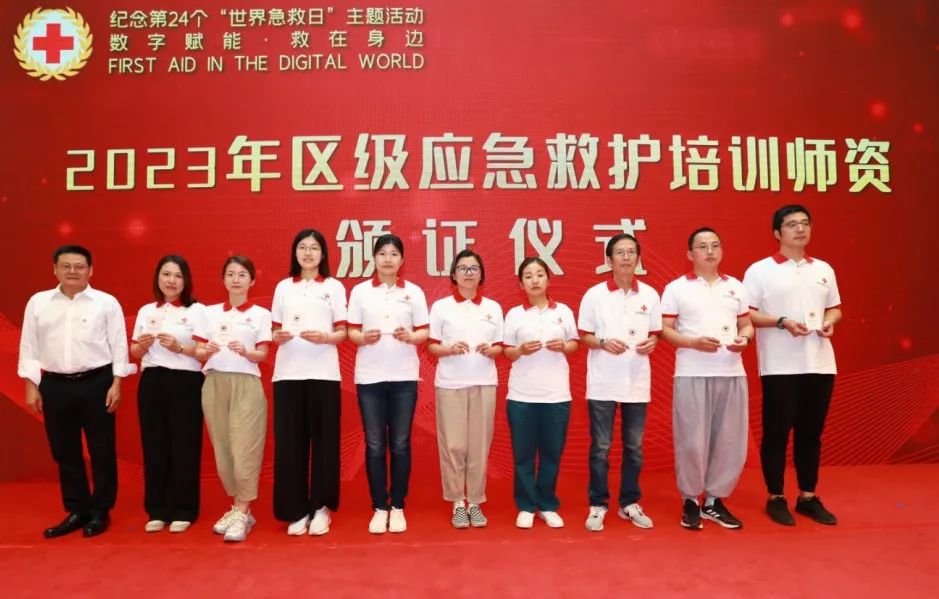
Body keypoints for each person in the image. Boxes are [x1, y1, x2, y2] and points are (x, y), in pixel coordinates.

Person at [18, 245, 128, 538]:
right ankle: (77, 509)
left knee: (102, 449)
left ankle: (101, 510)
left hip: (97, 382)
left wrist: (117, 382)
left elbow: (119, 345)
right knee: (64, 450)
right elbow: (28, 346)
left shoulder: (106, 303)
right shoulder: (39, 302)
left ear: (90, 270)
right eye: (66, 266)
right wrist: (31, 385)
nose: (72, 272)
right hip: (54, 384)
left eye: (79, 266)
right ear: (55, 269)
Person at [744, 204, 842, 526]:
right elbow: (747, 314)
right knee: (777, 433)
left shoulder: (823, 269)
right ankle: (776, 496)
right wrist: (781, 321)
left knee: (811, 434)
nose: (800, 229)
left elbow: (835, 308)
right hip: (780, 366)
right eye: (791, 224)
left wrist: (829, 322)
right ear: (777, 232)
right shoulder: (760, 270)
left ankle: (808, 497)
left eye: (805, 223)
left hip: (820, 362)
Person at [660, 228, 754, 530]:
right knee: (692, 440)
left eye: (715, 245)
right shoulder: (676, 288)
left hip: (731, 371)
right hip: (692, 372)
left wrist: (744, 339)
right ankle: (690, 499)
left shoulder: (736, 287)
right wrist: (692, 342)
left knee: (729, 440)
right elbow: (665, 330)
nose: (710, 251)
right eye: (702, 246)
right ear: (690, 254)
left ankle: (713, 501)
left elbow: (746, 324)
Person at [578, 233, 661, 532]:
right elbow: (584, 335)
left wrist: (652, 342)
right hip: (602, 382)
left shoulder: (650, 295)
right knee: (601, 448)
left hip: (636, 382)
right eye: (620, 252)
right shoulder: (594, 295)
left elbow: (655, 333)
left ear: (638, 258)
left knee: (634, 447)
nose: (626, 258)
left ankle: (629, 503)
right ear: (608, 259)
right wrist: (603, 342)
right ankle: (598, 504)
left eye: (631, 252)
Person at [346, 234, 429, 534]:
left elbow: (424, 332)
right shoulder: (360, 292)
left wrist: (411, 336)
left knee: (401, 444)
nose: (388, 259)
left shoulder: (414, 292)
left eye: (394, 254)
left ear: (402, 260)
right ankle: (380, 506)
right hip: (370, 377)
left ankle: (398, 505)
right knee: (375, 444)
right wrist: (362, 337)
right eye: (382, 253)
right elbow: (351, 332)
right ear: (374, 258)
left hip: (404, 377)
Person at [271, 229, 347, 536]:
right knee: (290, 443)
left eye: (314, 248)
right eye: (302, 247)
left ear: (323, 254)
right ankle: (296, 509)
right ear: (295, 252)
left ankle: (321, 507)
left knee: (325, 442)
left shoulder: (333, 287)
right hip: (288, 374)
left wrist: (325, 337)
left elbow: (342, 331)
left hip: (324, 373)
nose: (307, 252)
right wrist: (278, 336)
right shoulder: (283, 287)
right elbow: (274, 330)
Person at [193, 256, 272, 542]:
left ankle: (242, 510)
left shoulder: (261, 314)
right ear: (223, 280)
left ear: (252, 281)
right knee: (224, 449)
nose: (236, 279)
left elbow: (262, 354)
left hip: (246, 384)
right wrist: (205, 351)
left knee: (244, 448)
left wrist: (246, 352)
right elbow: (198, 351)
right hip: (214, 382)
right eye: (230, 274)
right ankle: (239, 509)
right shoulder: (208, 313)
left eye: (242, 275)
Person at [427, 249, 504, 529]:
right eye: (463, 268)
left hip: (484, 383)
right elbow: (432, 346)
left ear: (481, 275)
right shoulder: (441, 307)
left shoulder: (493, 308)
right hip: (450, 384)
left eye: (474, 268)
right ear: (453, 274)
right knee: (454, 445)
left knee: (479, 445)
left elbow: (500, 346)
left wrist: (491, 350)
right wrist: (449, 349)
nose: (469, 273)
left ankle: (475, 501)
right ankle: (457, 501)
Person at [130, 255, 205, 534]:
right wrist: (142, 346)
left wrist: (178, 348)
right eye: (166, 274)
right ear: (158, 278)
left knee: (185, 445)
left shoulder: (197, 311)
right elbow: (134, 351)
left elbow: (204, 352)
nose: (171, 281)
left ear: (186, 281)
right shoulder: (146, 311)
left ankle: (185, 508)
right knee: (154, 444)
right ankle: (157, 509)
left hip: (186, 381)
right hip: (152, 381)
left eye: (178, 276)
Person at [502, 257, 578, 529]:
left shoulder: (563, 311)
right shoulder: (514, 314)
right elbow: (507, 351)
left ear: (548, 279)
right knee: (523, 454)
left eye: (539, 274)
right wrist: (520, 350)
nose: (534, 280)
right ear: (521, 284)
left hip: (556, 395)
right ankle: (525, 505)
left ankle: (546, 504)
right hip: (521, 395)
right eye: (528, 276)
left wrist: (564, 346)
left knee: (551, 453)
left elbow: (574, 344)